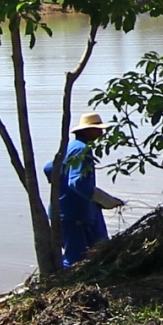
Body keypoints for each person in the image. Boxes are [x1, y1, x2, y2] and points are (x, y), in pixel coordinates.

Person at [52, 111, 123, 269]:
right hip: (72, 214)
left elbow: (50, 169)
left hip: (73, 210)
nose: (101, 133)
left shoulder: (70, 147)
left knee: (98, 250)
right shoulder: (82, 150)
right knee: (76, 259)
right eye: (97, 129)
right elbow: (77, 182)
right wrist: (104, 199)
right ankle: (58, 283)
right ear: (87, 131)